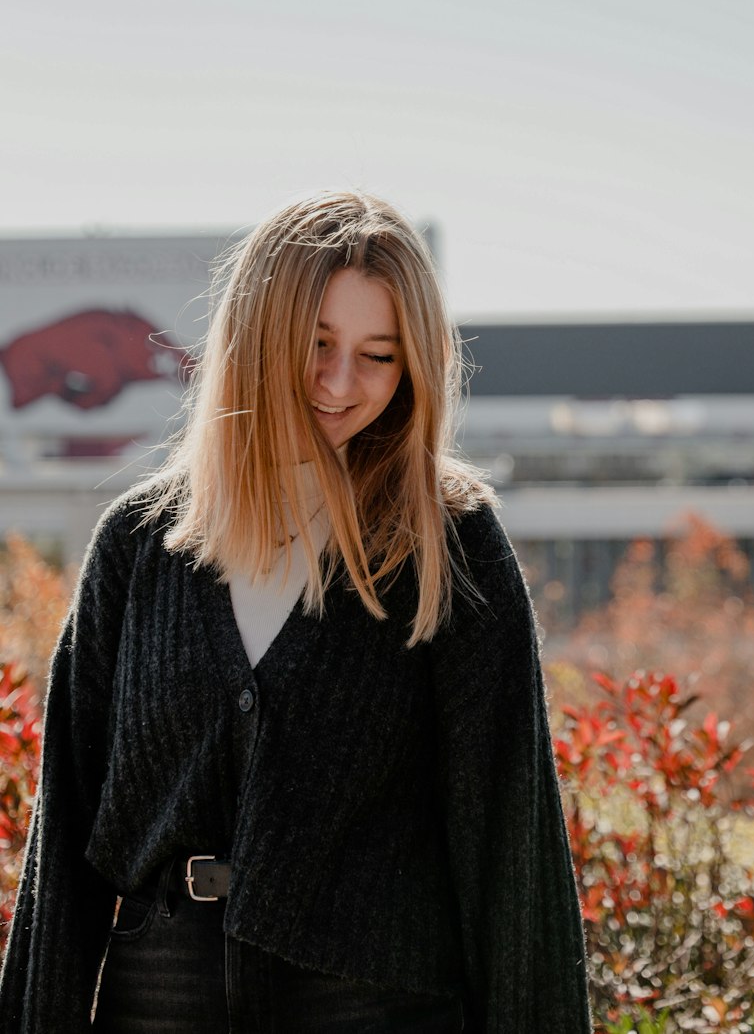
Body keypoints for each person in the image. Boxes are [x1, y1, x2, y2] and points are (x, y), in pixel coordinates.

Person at [0, 191, 594, 1034]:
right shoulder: (136, 549)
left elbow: (512, 855)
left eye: (379, 355)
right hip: (161, 1001)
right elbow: (63, 843)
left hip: (375, 1005)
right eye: (316, 345)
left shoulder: (451, 545)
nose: (341, 384)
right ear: (254, 336)